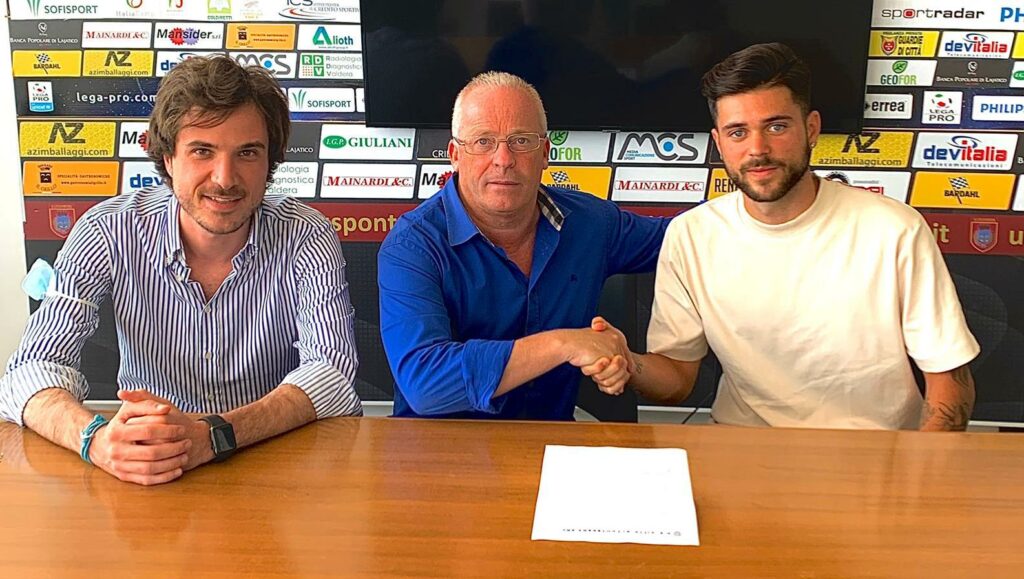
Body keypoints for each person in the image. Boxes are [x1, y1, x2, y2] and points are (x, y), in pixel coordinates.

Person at [0, 56, 362, 485]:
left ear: (271, 162)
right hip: (151, 467)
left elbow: (333, 375)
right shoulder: (107, 230)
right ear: (168, 158)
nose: (224, 178)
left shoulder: (306, 234)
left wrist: (213, 436)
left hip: (272, 461)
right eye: (202, 151)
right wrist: (94, 439)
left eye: (247, 152)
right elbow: (31, 370)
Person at [588, 43, 980, 431]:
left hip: (875, 448)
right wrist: (628, 362)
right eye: (738, 132)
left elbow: (950, 383)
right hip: (743, 446)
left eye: (776, 127)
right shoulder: (691, 234)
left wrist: (922, 466)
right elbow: (677, 379)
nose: (757, 149)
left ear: (811, 129)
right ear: (719, 143)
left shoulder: (894, 229)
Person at [377, 71, 669, 420]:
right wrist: (564, 344)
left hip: (549, 443)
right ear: (455, 154)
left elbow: (689, 238)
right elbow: (425, 383)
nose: (503, 159)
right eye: (483, 141)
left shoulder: (592, 223)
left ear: (544, 153)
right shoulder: (412, 246)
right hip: (441, 448)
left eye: (521, 141)